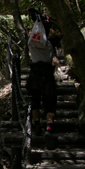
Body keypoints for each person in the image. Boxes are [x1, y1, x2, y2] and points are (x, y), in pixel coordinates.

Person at [26, 9, 58, 149]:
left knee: (35, 102)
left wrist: (37, 20)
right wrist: (51, 21)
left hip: (34, 74)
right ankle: (49, 129)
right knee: (50, 103)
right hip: (47, 74)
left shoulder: (31, 42)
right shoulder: (51, 43)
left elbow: (32, 34)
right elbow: (62, 33)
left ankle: (37, 126)